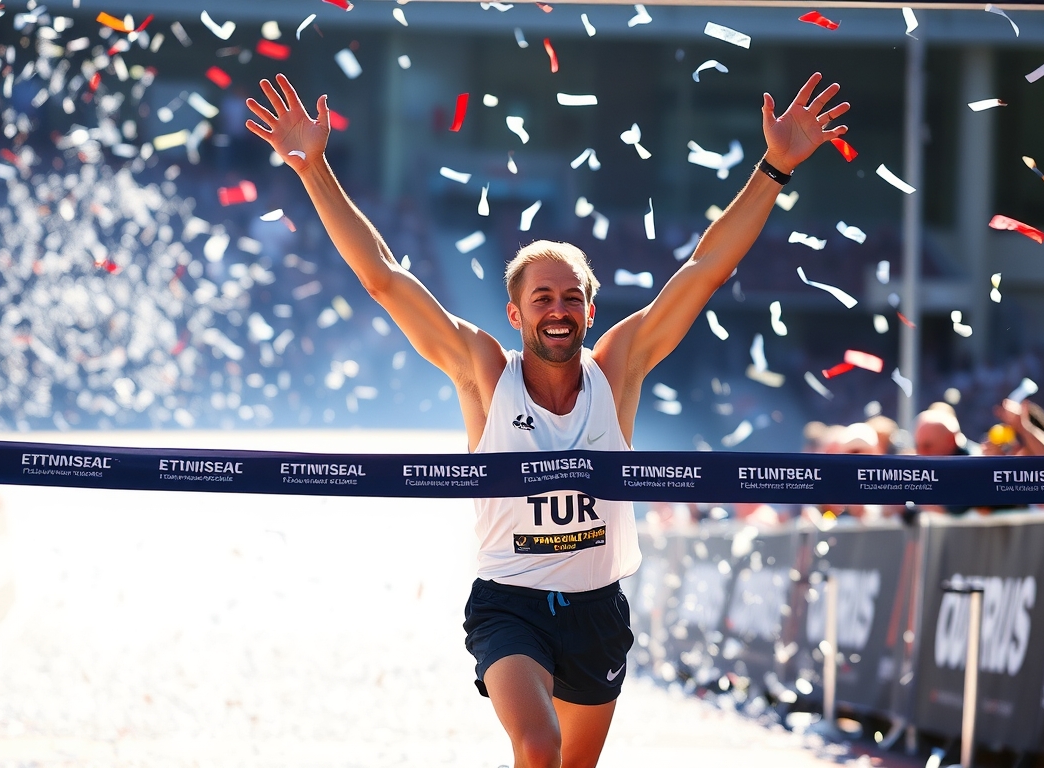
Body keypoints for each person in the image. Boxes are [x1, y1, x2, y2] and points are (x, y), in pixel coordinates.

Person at [246, 72, 849, 767]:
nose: (557, 309)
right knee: (538, 744)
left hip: (597, 607)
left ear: (590, 311)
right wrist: (314, 167)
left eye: (570, 297)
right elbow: (384, 276)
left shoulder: (617, 367)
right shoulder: (483, 370)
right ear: (516, 313)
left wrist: (774, 168)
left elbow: (705, 269)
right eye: (542, 298)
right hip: (510, 603)